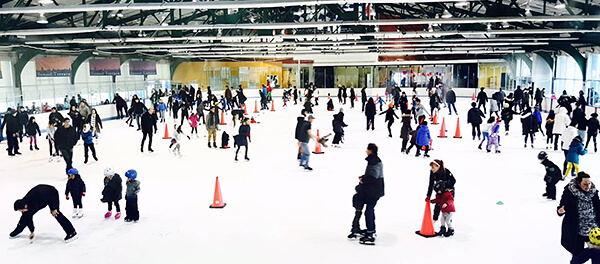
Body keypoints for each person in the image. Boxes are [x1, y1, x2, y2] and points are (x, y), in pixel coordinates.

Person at [11, 185, 77, 242]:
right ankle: (18, 230)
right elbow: (27, 218)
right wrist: (32, 231)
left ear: (25, 206)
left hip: (51, 194)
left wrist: (54, 208)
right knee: (25, 216)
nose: (21, 211)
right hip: (41, 197)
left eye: (21, 210)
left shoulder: (34, 200)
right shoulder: (25, 204)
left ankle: (71, 232)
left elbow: (52, 198)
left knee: (56, 214)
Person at [558, 172, 600, 256]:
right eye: (585, 184)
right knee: (577, 255)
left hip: (593, 230)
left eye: (589, 183)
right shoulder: (570, 192)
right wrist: (560, 210)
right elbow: (562, 206)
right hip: (577, 231)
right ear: (578, 183)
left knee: (597, 255)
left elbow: (598, 206)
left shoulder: (593, 192)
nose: (587, 186)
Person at [357, 143, 384, 245]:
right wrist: (363, 176)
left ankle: (371, 232)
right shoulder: (374, 160)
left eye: (367, 149)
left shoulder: (374, 161)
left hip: (374, 190)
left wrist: (363, 180)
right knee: (369, 210)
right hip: (374, 190)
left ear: (370, 150)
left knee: (369, 211)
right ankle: (370, 230)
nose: (366, 151)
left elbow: (374, 176)